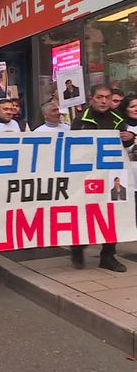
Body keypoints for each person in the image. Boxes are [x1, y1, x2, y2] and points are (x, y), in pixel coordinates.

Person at [70, 84, 134, 273]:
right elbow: (74, 148)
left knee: (113, 214)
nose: (104, 101)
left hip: (112, 175)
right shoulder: (82, 119)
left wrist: (129, 138)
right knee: (86, 213)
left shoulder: (117, 118)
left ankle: (108, 256)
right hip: (87, 175)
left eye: (107, 97)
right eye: (99, 97)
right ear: (92, 98)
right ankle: (78, 247)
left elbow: (126, 144)